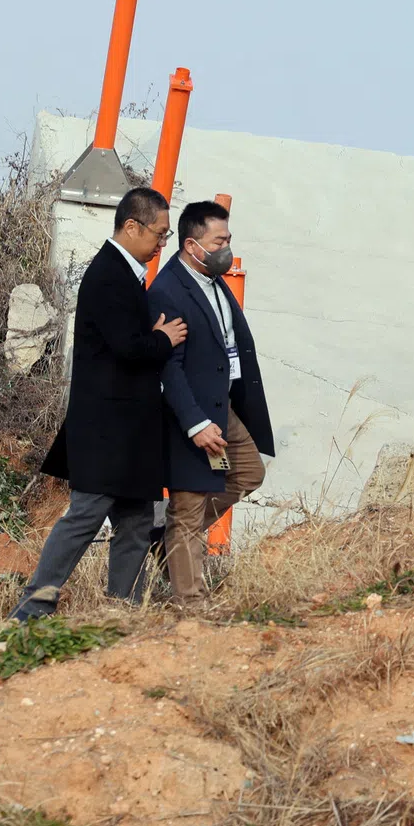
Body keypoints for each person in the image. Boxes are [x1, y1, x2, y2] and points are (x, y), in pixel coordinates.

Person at [9, 188, 187, 622]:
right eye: (160, 233)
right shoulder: (109, 275)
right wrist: (162, 339)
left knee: (136, 522)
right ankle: (31, 609)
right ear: (132, 227)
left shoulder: (124, 273)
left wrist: (150, 336)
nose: (163, 243)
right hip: (108, 430)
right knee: (85, 517)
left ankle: (122, 613)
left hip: (129, 432)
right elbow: (127, 347)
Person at [147, 200, 274, 603]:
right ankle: (192, 603)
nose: (226, 248)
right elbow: (169, 368)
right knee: (187, 508)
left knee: (248, 472)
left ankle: (167, 540)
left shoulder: (213, 281)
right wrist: (196, 424)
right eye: (219, 241)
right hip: (190, 416)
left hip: (223, 407)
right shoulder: (167, 291)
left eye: (228, 239)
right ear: (191, 245)